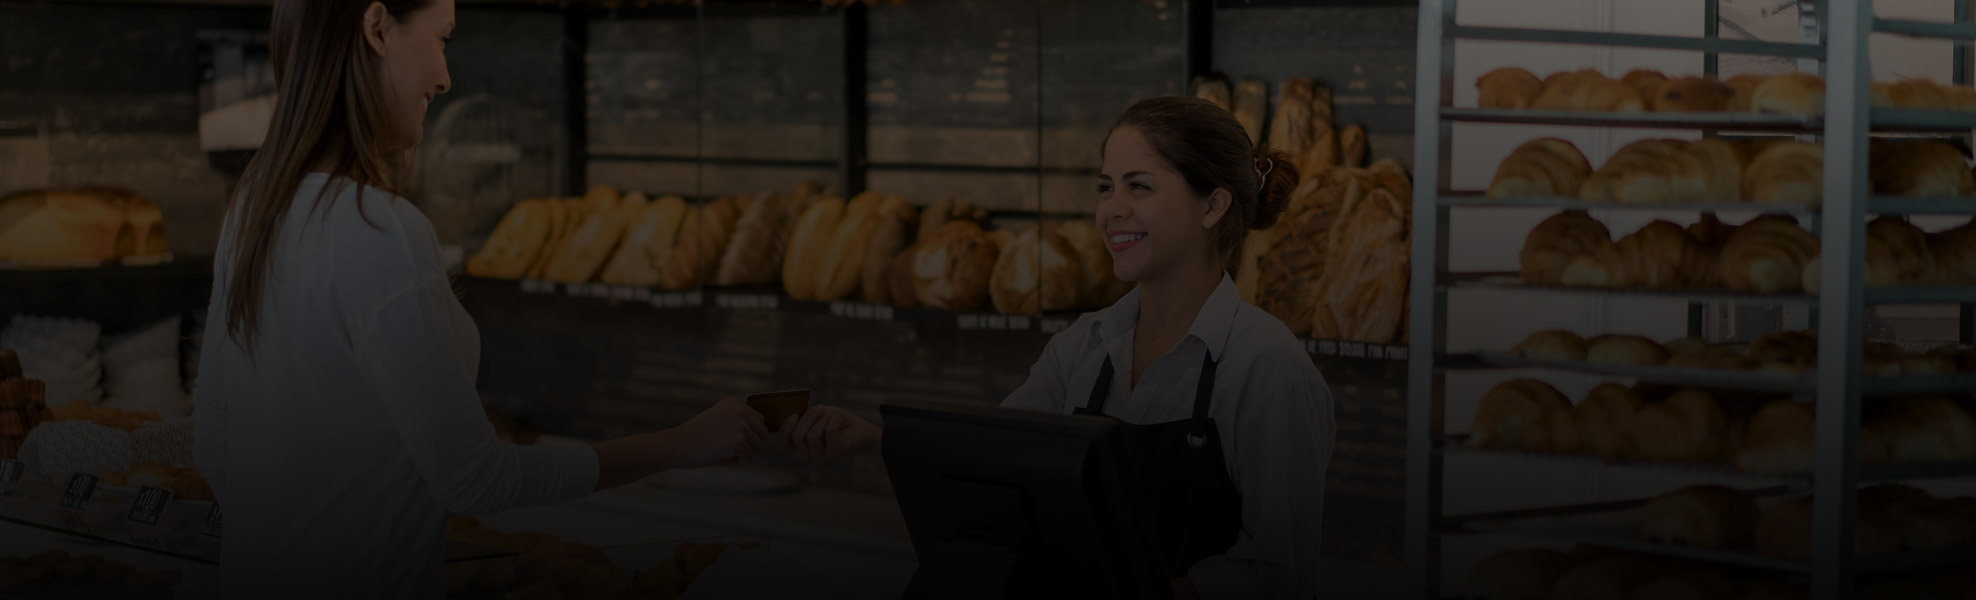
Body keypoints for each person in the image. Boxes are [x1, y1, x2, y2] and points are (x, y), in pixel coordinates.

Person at [192, 1, 766, 597]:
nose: (445, 77)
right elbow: (476, 480)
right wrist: (679, 444)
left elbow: (214, 446)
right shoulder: (378, 228)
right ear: (377, 27)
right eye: (442, 39)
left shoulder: (254, 208)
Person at [782, 96, 1336, 599]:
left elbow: (1278, 576)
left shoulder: (1268, 367)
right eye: (1105, 186)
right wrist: (874, 441)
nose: (1111, 209)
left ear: (1212, 206)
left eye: (1138, 186)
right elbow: (993, 466)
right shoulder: (1084, 345)